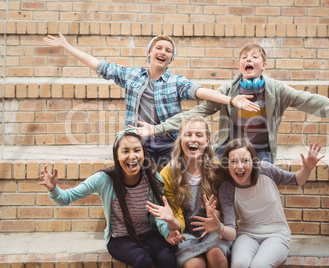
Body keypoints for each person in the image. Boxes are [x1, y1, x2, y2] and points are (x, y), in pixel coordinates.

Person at [135, 43, 329, 163]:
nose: (248, 60)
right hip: (228, 147)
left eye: (254, 57)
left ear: (264, 66)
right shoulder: (227, 92)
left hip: (261, 150)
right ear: (239, 66)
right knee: (211, 172)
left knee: (264, 176)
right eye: (244, 57)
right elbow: (195, 112)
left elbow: (311, 101)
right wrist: (155, 129)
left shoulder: (277, 90)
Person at [43, 34, 259, 167]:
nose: (163, 52)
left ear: (170, 59)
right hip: (138, 139)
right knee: (130, 168)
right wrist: (67, 47)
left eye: (168, 51)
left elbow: (201, 91)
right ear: (149, 53)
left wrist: (231, 100)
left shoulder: (175, 82)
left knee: (176, 173)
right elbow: (100, 66)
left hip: (167, 141)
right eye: (159, 48)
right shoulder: (133, 75)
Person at [38, 129, 185, 268]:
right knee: (143, 259)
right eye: (125, 151)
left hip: (148, 234)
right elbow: (65, 198)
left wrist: (167, 232)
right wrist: (53, 189)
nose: (132, 156)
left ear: (144, 153)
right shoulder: (104, 179)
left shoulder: (153, 179)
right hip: (120, 238)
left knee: (167, 258)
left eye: (137, 150)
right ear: (116, 155)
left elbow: (158, 217)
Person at [191, 138, 325, 268]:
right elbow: (231, 232)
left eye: (245, 161)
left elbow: (297, 180)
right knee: (239, 264)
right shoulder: (227, 188)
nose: (239, 166)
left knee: (259, 265)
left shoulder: (266, 171)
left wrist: (307, 169)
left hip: (276, 234)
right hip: (247, 234)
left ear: (254, 162)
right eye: (233, 161)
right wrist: (218, 227)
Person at [146, 115, 231, 268]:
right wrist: (171, 221)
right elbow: (177, 219)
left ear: (207, 140)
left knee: (216, 255)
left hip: (213, 231)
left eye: (199, 135)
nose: (193, 139)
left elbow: (226, 209)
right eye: (188, 134)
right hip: (187, 234)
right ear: (180, 139)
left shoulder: (217, 169)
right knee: (195, 265)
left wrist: (216, 215)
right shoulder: (168, 174)